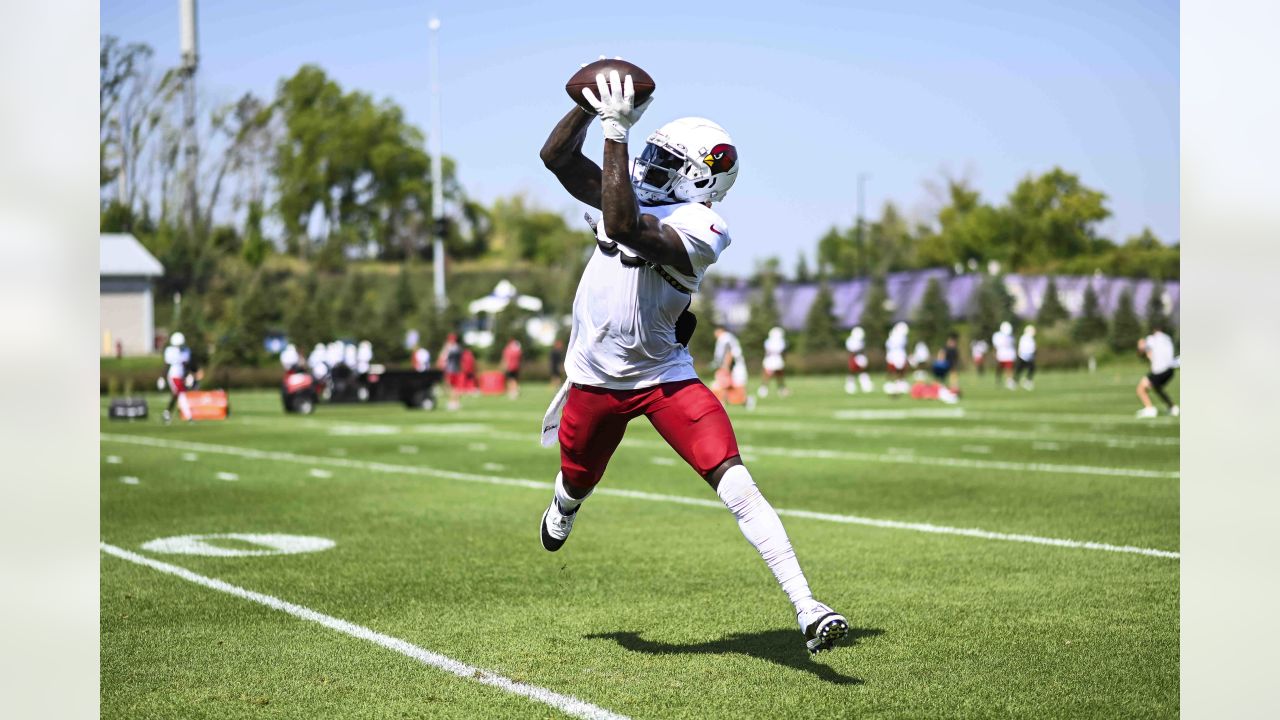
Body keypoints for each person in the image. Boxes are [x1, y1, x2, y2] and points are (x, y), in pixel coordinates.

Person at [535, 65, 847, 653]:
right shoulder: (634, 181)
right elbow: (555, 157)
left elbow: (626, 226)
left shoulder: (705, 226)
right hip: (595, 380)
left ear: (701, 180)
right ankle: (564, 503)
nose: (649, 166)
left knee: (737, 483)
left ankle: (808, 606)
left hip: (663, 377)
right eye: (650, 153)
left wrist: (615, 131)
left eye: (667, 162)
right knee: (577, 479)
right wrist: (589, 106)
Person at [1136, 326, 1179, 418]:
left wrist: (1140, 346)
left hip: (1159, 370)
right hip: (1170, 370)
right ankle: (1172, 408)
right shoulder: (1167, 338)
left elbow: (1143, 347)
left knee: (1141, 388)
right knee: (1157, 388)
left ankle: (1150, 409)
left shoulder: (1152, 339)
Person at [712, 327, 751, 407]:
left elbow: (729, 352)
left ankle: (745, 400)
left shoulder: (725, 338)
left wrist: (726, 366)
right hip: (733, 365)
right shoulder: (728, 337)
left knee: (733, 384)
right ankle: (724, 401)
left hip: (733, 365)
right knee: (725, 384)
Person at [162, 332, 190, 423]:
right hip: (173, 375)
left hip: (181, 376)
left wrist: (187, 376)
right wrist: (162, 377)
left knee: (177, 394)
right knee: (181, 394)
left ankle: (168, 412)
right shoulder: (170, 351)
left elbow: (186, 365)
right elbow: (167, 365)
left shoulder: (186, 351)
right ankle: (188, 415)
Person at [759, 326, 789, 398]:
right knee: (771, 374)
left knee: (776, 374)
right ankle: (766, 388)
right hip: (774, 359)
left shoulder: (769, 342)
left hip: (772, 359)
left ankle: (779, 388)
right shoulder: (780, 342)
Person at [844, 326, 874, 394]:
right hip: (854, 358)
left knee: (863, 371)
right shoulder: (850, 340)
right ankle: (850, 386)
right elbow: (851, 351)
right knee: (852, 372)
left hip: (861, 357)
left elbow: (862, 350)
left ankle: (865, 385)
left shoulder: (861, 341)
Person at [438, 333, 463, 410]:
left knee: (451, 387)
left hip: (450, 370)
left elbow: (443, 358)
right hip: (457, 369)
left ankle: (452, 402)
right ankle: (456, 402)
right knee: (455, 387)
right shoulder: (458, 347)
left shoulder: (448, 348)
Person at [884, 322, 909, 395]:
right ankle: (890, 384)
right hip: (894, 356)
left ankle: (899, 383)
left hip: (900, 356)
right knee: (892, 371)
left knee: (901, 371)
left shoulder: (903, 337)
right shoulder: (893, 336)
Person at [992, 321, 1016, 390]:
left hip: (1009, 355)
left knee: (1009, 368)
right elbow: (996, 346)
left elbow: (1012, 345)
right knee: (1000, 369)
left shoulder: (1011, 336)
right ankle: (998, 379)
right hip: (1001, 355)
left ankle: (1009, 381)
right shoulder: (997, 336)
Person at [1014, 325, 1037, 390]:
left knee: (1031, 369)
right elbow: (1022, 347)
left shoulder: (1031, 338)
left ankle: (1028, 381)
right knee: (1019, 369)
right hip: (1024, 356)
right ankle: (1015, 381)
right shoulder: (1024, 338)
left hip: (1030, 356)